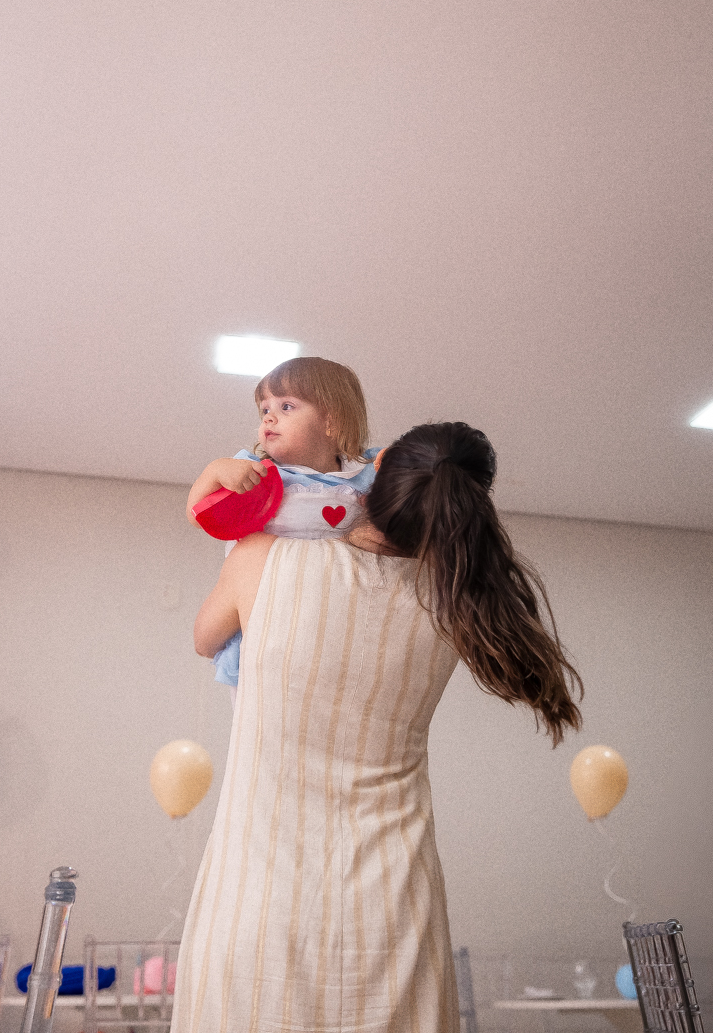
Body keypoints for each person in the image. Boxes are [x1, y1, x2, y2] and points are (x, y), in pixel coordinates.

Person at [170, 421, 583, 1033]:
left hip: (257, 903)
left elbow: (205, 641)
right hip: (393, 913)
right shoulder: (454, 605)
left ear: (378, 465)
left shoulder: (262, 560)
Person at [186, 357, 381, 698]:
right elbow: (197, 514)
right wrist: (216, 471)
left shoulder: (362, 477)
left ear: (331, 421)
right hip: (260, 610)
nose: (269, 417)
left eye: (287, 406)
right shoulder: (253, 470)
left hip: (328, 610)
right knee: (257, 709)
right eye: (264, 409)